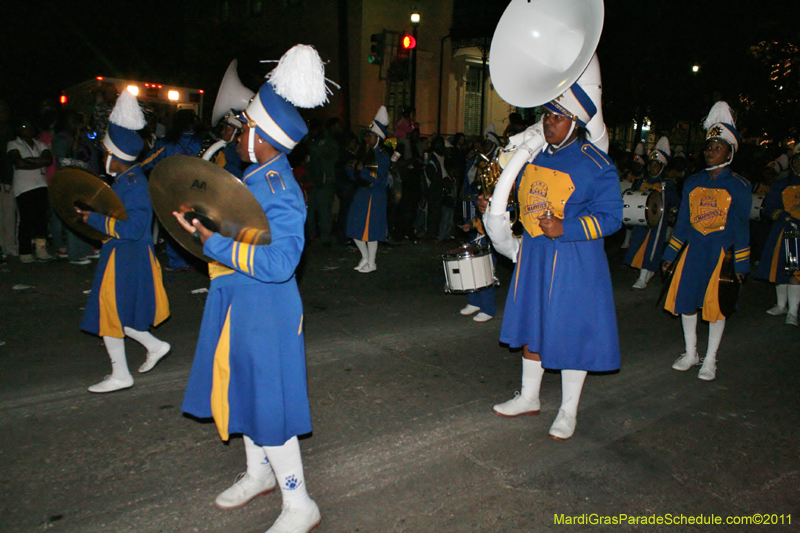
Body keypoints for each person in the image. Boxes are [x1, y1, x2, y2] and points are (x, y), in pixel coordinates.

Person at [177, 44, 328, 533]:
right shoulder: (253, 178)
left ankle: (299, 502)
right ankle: (259, 473)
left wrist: (215, 244)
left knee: (269, 402)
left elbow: (281, 262)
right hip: (241, 301)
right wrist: (199, 225)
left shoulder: (281, 191)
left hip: (267, 308)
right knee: (244, 389)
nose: (237, 134)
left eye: (244, 129)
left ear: (261, 137)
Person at [490, 80, 623, 440]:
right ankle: (529, 397)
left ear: (576, 122)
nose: (549, 123)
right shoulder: (534, 155)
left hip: (573, 260)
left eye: (558, 117)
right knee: (533, 323)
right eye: (547, 115)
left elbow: (612, 218)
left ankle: (568, 411)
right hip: (535, 255)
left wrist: (567, 227)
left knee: (569, 331)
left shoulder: (597, 163)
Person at [76, 90, 171, 393]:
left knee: (110, 313)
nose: (103, 158)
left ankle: (121, 375)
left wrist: (93, 219)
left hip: (127, 257)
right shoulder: (126, 180)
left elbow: (132, 228)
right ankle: (154, 346)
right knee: (120, 312)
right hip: (123, 256)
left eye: (106, 153)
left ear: (116, 158)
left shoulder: (134, 185)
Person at [662, 101, 751, 381]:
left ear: (730, 152)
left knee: (715, 307)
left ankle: (710, 359)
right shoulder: (692, 181)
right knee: (687, 303)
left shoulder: (739, 185)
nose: (710, 152)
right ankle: (691, 352)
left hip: (720, 254)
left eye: (717, 148)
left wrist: (741, 263)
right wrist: (669, 253)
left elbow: (741, 227)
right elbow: (684, 222)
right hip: (693, 252)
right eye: (708, 147)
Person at [623, 136, 680, 289]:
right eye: (651, 165)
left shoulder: (666, 185)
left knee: (651, 249)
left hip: (658, 224)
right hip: (641, 222)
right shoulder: (641, 181)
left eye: (656, 165)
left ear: (662, 167)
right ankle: (645, 273)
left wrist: (672, 213)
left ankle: (643, 277)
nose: (652, 168)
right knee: (637, 245)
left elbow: (675, 203)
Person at [754, 143, 800, 325]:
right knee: (781, 269)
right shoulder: (781, 184)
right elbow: (769, 208)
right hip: (783, 232)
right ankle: (781, 305)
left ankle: (793, 312)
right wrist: (782, 215)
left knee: (796, 272)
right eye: (796, 161)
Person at [346, 106, 391, 273]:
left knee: (371, 230)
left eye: (371, 136)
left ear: (378, 137)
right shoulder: (365, 152)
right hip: (363, 193)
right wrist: (351, 169)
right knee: (354, 227)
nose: (368, 139)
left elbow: (377, 179)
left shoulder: (382, 156)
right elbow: (358, 176)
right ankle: (365, 257)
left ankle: (371, 262)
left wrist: (361, 170)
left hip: (375, 195)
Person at [50, 110, 96, 264]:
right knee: (74, 215)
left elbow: (92, 156)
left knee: (85, 214)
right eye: (71, 121)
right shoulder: (60, 140)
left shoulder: (83, 137)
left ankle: (85, 249)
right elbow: (64, 161)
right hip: (69, 182)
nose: (75, 124)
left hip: (84, 181)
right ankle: (75, 254)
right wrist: (74, 145)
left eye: (77, 121)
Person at [6, 118, 53, 263]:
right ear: (18, 129)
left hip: (41, 184)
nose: (27, 129)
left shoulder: (40, 144)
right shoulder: (13, 144)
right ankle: (25, 251)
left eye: (30, 126)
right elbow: (18, 162)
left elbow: (48, 160)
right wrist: (37, 161)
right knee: (26, 219)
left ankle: (41, 250)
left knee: (41, 220)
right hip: (24, 187)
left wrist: (28, 162)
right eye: (24, 126)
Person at [459, 194, 496, 322]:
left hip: (489, 244)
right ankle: (474, 302)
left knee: (484, 276)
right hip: (478, 242)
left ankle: (488, 309)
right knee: (471, 273)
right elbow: (476, 220)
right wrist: (469, 225)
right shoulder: (482, 210)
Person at [305, 118, 340, 246]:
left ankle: (325, 237)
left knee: (324, 211)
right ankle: (312, 236)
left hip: (325, 182)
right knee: (311, 211)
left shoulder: (327, 142)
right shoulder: (312, 141)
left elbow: (316, 153)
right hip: (314, 181)